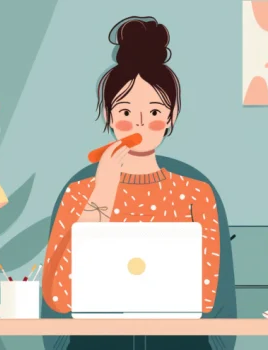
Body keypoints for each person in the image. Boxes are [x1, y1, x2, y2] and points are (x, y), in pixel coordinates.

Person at [42, 16, 221, 350]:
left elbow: (205, 298)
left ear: (173, 115)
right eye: (125, 112)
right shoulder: (80, 192)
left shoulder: (197, 193)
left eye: (154, 112)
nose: (139, 123)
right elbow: (58, 297)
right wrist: (103, 194)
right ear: (109, 115)